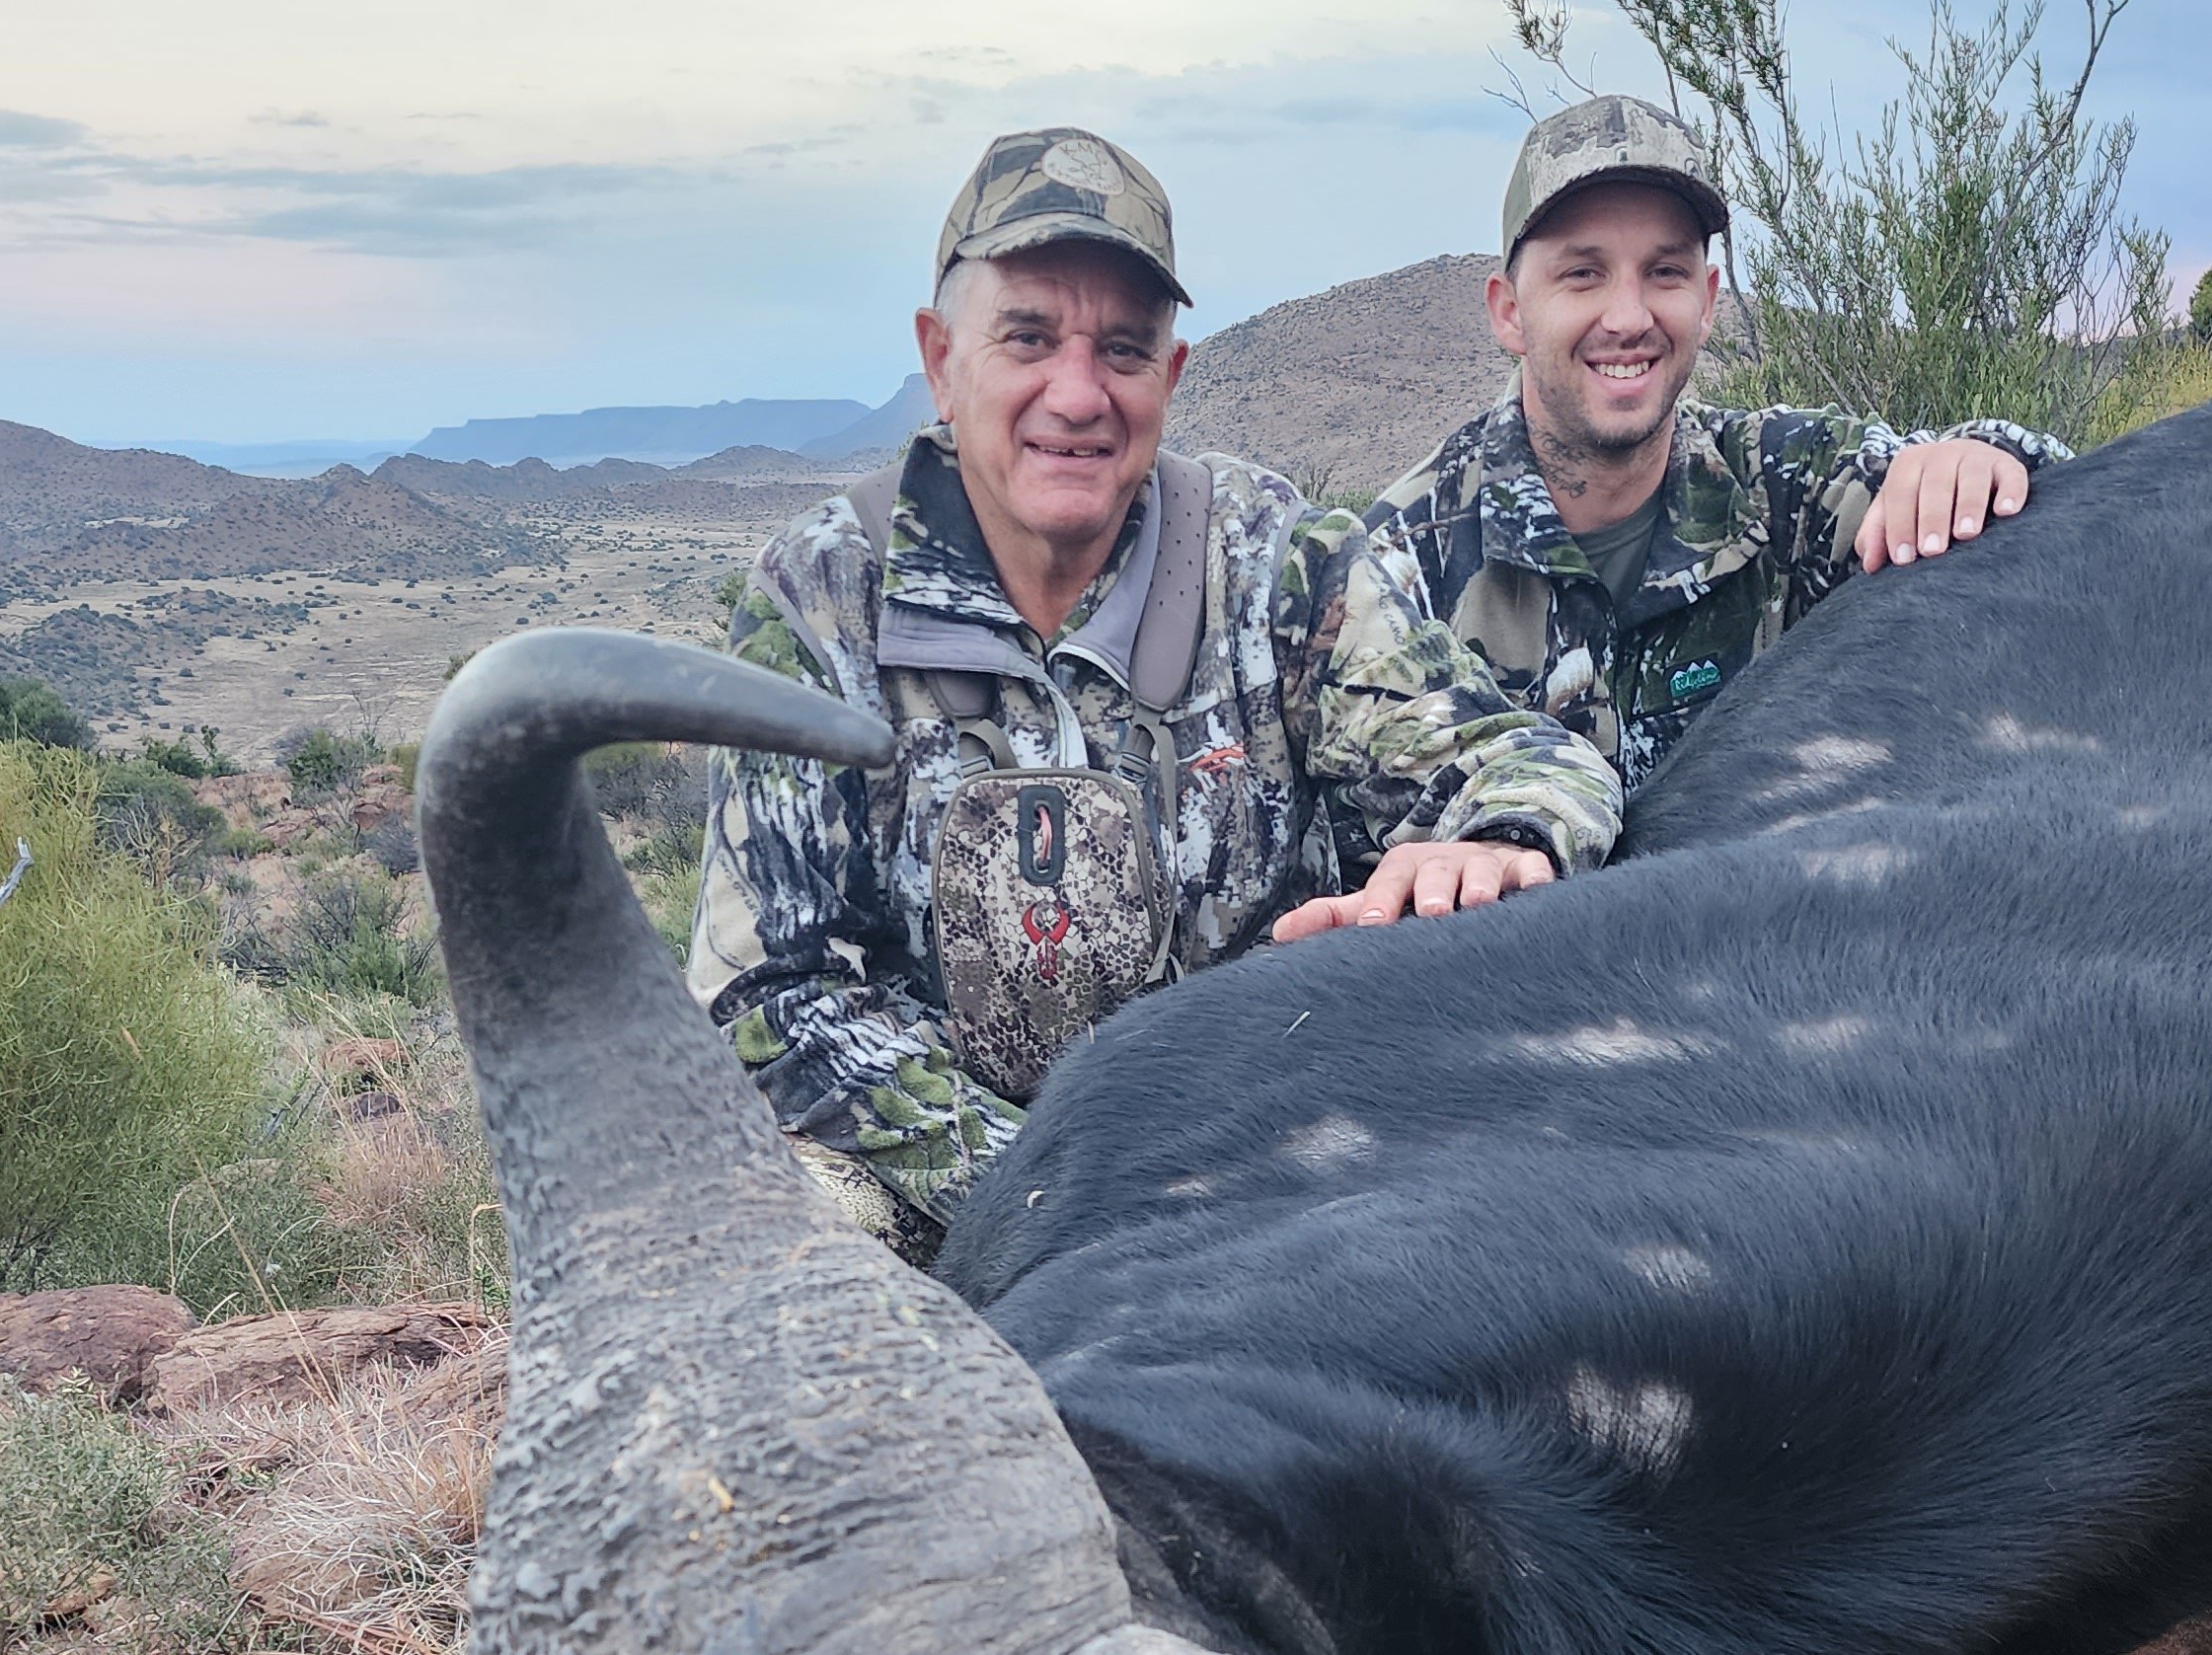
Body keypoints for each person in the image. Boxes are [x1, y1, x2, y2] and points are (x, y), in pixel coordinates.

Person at [690, 127, 1622, 1246]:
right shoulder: (820, 597)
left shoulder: (1275, 560)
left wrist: (1500, 833)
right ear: (941, 361)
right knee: (755, 1242)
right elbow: (768, 998)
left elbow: (1530, 758)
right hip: (951, 1187)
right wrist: (1054, 1192)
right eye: (1027, 338)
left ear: (1170, 378)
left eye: (1123, 351)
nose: (1077, 396)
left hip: (1279, 1176)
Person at [1344, 93, 2065, 863]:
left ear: (1708, 302)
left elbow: (2056, 506)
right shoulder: (1397, 569)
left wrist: (1986, 458)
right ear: (1510, 312)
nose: (1628, 316)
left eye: (1665, 272)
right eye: (1583, 274)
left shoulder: (1787, 483)